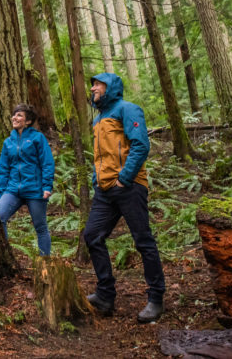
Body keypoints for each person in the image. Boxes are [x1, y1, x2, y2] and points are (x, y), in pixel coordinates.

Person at [83, 72, 165, 323]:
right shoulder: (98, 120)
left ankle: (156, 298)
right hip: (105, 190)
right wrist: (98, 181)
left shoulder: (127, 109)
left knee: (143, 241)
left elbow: (140, 144)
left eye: (97, 84)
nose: (93, 88)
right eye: (93, 85)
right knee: (92, 236)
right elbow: (101, 155)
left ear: (110, 87)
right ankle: (105, 295)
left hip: (129, 186)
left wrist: (124, 178)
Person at [0, 104, 55, 256]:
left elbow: (47, 163)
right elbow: (3, 169)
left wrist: (47, 186)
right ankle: (6, 256)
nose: (14, 118)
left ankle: (45, 264)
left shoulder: (37, 138)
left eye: (19, 115)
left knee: (40, 227)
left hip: (35, 190)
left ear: (28, 121)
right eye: (14, 115)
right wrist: (1, 192)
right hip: (13, 189)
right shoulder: (8, 142)